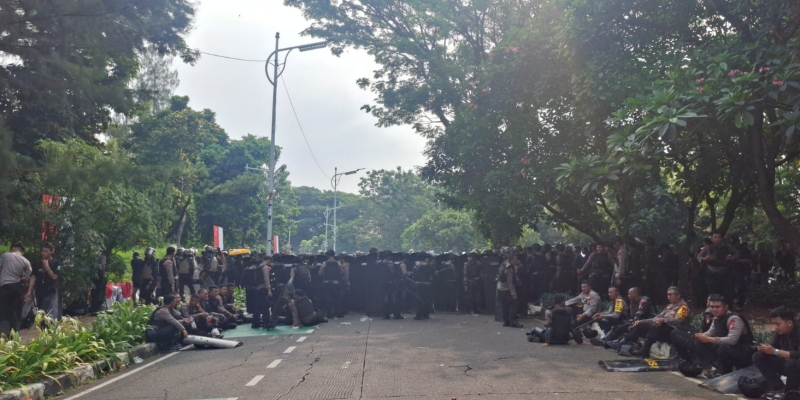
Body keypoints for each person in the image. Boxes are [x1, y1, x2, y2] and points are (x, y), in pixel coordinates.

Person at [627, 286, 691, 357]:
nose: (668, 297)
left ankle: (645, 349)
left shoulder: (683, 307)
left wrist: (664, 320)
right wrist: (642, 321)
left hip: (674, 332)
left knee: (657, 324)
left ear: (678, 295)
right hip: (662, 329)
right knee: (641, 324)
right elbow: (657, 317)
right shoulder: (669, 306)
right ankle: (631, 344)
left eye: (670, 294)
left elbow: (679, 321)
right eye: (667, 295)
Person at [753, 307, 800, 400]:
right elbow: (773, 346)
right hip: (789, 367)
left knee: (792, 363)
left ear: (789, 323)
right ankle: (778, 388)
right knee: (758, 356)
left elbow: (798, 354)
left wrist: (775, 351)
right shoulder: (780, 332)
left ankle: (791, 393)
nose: (775, 327)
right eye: (774, 324)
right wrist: (764, 348)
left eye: (778, 324)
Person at [0, 243, 32, 337]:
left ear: (13, 248)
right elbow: (27, 277)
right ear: (21, 251)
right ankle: (14, 334)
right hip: (17, 288)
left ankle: (3, 333)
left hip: (5, 287)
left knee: (3, 310)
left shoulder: (6, 255)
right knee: (15, 312)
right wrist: (21, 279)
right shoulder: (26, 261)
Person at [698, 231, 739, 302]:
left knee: (727, 292)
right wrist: (705, 258)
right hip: (711, 273)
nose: (717, 239)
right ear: (712, 239)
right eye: (715, 237)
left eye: (719, 237)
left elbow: (737, 253)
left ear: (722, 238)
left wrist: (732, 257)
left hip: (725, 272)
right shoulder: (707, 248)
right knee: (713, 293)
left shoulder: (728, 247)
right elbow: (699, 256)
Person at [27, 242, 61, 319]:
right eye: (42, 251)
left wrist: (46, 266)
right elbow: (33, 277)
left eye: (46, 251)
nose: (43, 253)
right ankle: (43, 328)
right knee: (40, 312)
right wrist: (29, 290)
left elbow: (54, 277)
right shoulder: (37, 263)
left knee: (47, 311)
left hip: (51, 291)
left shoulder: (56, 263)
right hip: (39, 291)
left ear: (52, 252)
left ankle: (49, 328)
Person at [497, 254, 522, 328]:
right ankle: (513, 321)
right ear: (511, 260)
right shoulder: (509, 269)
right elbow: (510, 282)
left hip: (500, 288)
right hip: (507, 289)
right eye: (515, 259)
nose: (516, 260)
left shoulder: (503, 264)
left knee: (504, 305)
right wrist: (513, 293)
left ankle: (506, 321)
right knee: (513, 305)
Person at [319, 250, 344, 319]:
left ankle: (329, 314)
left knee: (328, 299)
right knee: (337, 299)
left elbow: (320, 273)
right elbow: (341, 273)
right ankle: (336, 313)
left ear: (327, 255)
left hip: (327, 283)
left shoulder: (324, 263)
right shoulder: (338, 263)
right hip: (336, 283)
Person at [412, 254, 435, 320]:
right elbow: (433, 275)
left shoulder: (416, 266)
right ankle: (426, 314)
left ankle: (419, 314)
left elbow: (414, 276)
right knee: (427, 300)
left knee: (420, 300)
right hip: (428, 285)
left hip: (419, 285)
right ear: (425, 258)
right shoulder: (430, 266)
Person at [252, 256, 273, 329]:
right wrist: (269, 290)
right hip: (264, 288)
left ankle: (255, 321)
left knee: (258, 305)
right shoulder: (265, 268)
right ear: (268, 260)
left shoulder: (258, 267)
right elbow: (267, 279)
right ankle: (266, 322)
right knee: (266, 306)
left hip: (258, 288)